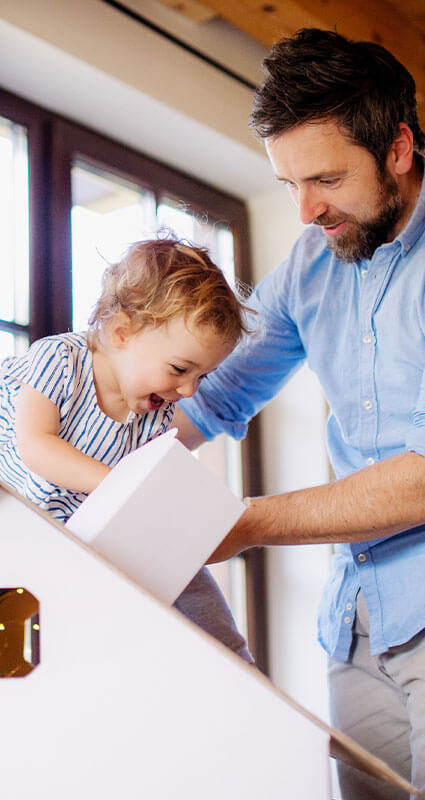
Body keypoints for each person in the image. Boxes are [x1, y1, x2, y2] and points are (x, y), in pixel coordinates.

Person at [174, 28, 425, 799]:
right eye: (286, 182)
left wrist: (242, 523)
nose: (307, 208)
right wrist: (79, 435)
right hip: (356, 621)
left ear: (398, 149)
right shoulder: (312, 261)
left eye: (324, 177)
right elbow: (210, 397)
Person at [0, 236, 254, 664]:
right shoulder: (60, 361)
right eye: (179, 369)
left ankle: (232, 660)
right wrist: (122, 487)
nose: (189, 390)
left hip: (73, 536)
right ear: (121, 333)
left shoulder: (152, 419)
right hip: (15, 518)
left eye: (202, 377)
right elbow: (37, 447)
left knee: (187, 574)